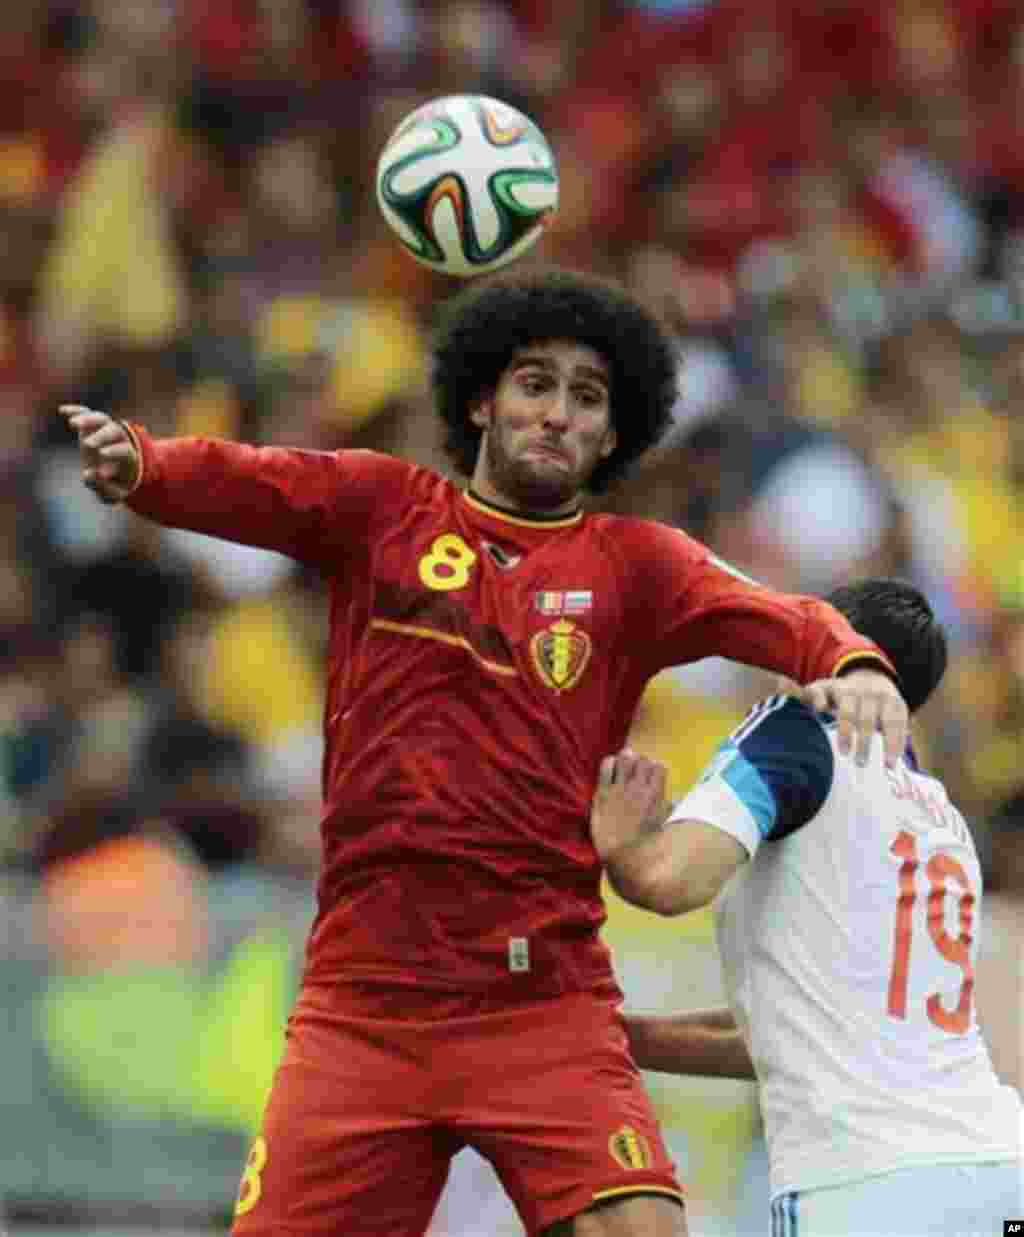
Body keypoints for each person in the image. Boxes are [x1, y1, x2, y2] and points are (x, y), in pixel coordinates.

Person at [61, 268, 909, 1237]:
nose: (555, 413)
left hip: (542, 1006)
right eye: (533, 384)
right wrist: (144, 462)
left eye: (586, 397)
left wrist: (855, 660)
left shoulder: (638, 563)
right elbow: (250, 478)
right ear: (480, 399)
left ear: (613, 430)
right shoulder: (380, 508)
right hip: (364, 1006)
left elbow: (781, 614)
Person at [591, 578, 1023, 1237]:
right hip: (999, 1167)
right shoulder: (945, 820)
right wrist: (625, 1036)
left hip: (864, 1185)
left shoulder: (793, 734)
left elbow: (669, 881)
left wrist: (623, 840)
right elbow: (805, 1036)